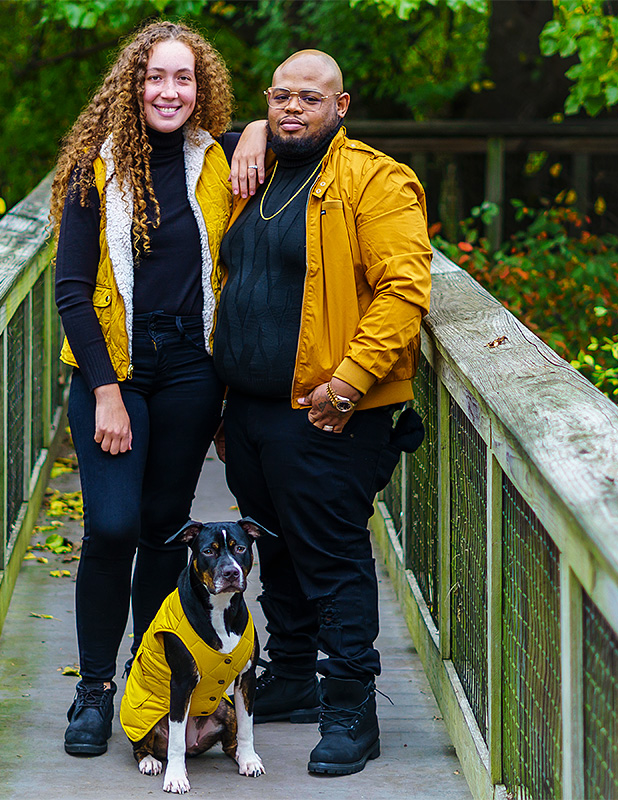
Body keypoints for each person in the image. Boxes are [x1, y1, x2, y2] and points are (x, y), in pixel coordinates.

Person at [213, 49, 433, 776]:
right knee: (274, 549)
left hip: (326, 412)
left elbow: (404, 290)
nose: (292, 108)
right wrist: (251, 128)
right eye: (279, 96)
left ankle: (349, 709)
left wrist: (349, 382)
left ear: (342, 107)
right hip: (248, 411)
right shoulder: (256, 172)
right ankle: (292, 677)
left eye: (310, 97)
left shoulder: (374, 180)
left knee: (333, 558)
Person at [50, 21, 261, 757]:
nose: (169, 91)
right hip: (116, 373)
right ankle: (94, 690)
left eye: (184, 79)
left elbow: (291, 131)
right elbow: (72, 292)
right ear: (131, 86)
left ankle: (150, 672)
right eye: (155, 77)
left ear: (201, 90)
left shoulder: (217, 159)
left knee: (165, 532)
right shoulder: (94, 171)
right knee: (110, 528)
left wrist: (261, 128)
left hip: (191, 373)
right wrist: (106, 393)